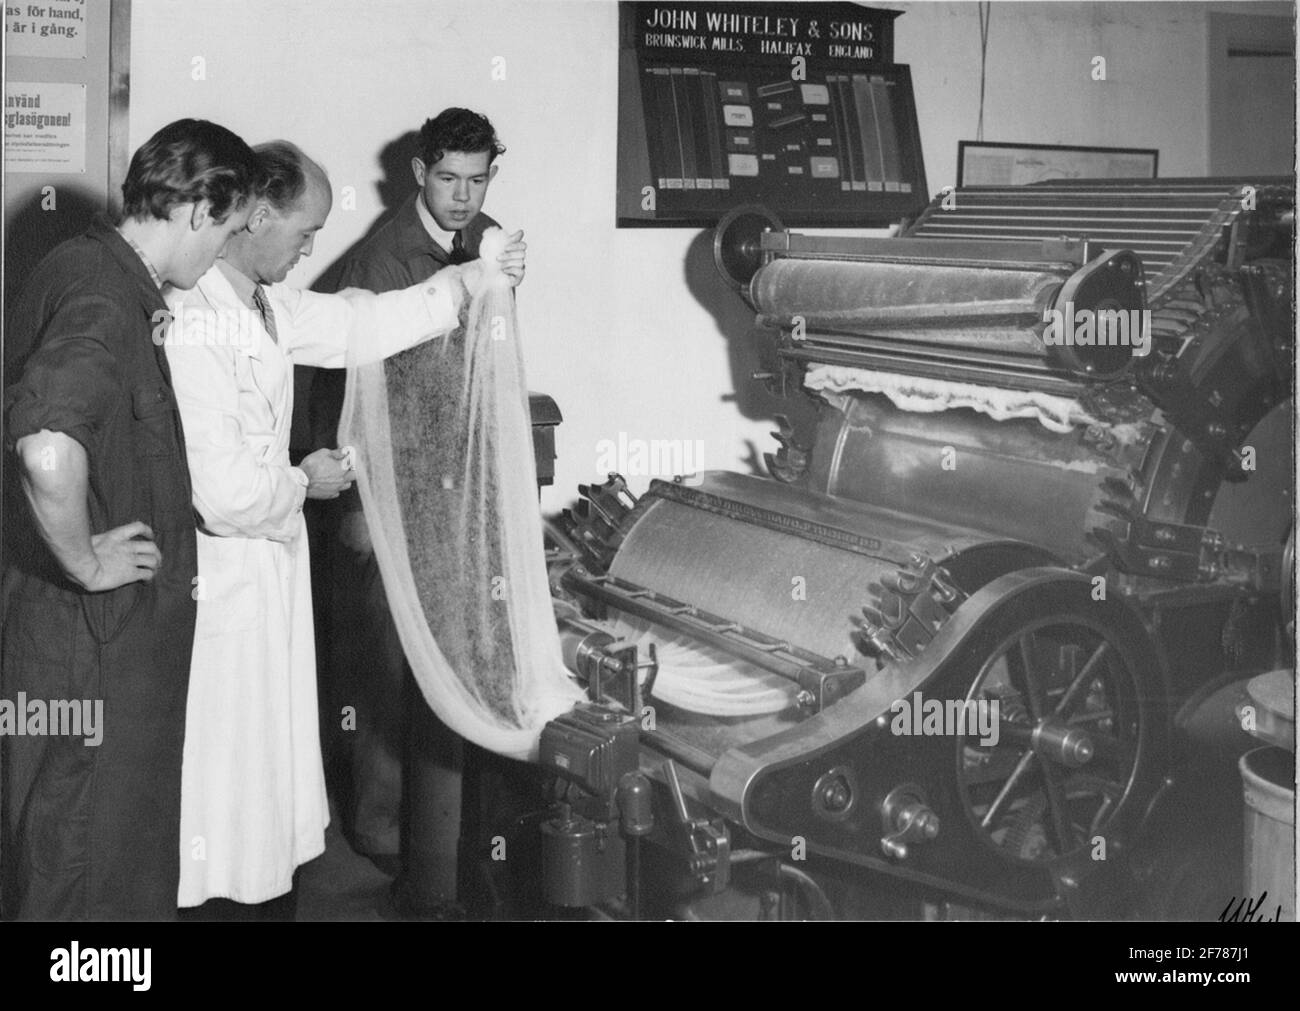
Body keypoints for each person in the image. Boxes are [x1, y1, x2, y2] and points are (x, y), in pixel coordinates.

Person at [163, 140, 524, 918]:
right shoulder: (194, 317)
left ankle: (264, 898)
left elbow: (365, 325)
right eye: (304, 229)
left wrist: (472, 279)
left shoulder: (264, 303)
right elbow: (222, 492)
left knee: (267, 788)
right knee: (223, 791)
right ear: (256, 215)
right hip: (225, 578)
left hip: (266, 574)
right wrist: (305, 479)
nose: (310, 248)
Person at [1, 119, 260, 920]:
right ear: (196, 207)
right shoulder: (103, 295)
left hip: (91, 654)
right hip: (92, 654)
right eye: (224, 230)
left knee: (92, 870)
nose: (220, 253)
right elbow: (47, 446)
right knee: (88, 879)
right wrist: (85, 561)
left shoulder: (95, 272)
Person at [310, 107, 509, 912]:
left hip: (448, 478)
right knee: (384, 668)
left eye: (478, 178)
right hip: (382, 482)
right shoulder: (387, 259)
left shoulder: (485, 236)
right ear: (419, 173)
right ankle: (380, 838)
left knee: (439, 653)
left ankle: (433, 830)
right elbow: (342, 389)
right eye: (449, 179)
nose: (463, 196)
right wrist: (358, 503)